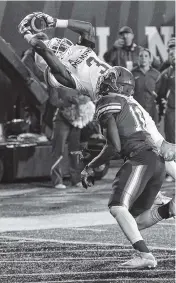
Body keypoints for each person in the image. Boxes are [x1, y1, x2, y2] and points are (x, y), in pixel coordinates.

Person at [18, 12, 176, 189]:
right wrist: (26, 33)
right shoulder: (61, 75)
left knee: (162, 145)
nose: (56, 43)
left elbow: (87, 28)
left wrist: (56, 21)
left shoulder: (76, 50)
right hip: (111, 104)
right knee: (135, 147)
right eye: (53, 46)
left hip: (125, 95)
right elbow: (42, 49)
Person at [81, 66, 175, 269]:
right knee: (136, 221)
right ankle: (168, 209)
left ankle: (145, 256)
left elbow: (114, 146)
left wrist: (90, 166)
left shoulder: (108, 101)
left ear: (119, 85)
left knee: (117, 207)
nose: (105, 81)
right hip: (155, 161)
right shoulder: (131, 106)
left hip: (139, 158)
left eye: (110, 78)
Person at [156, 37, 175, 182]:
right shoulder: (166, 73)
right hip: (171, 111)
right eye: (171, 53)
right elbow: (158, 91)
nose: (173, 55)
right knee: (171, 140)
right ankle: (172, 171)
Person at [132, 48, 160, 124]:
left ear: (150, 59)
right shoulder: (132, 73)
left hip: (152, 111)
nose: (143, 58)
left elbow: (159, 94)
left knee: (152, 134)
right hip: (136, 111)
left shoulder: (156, 74)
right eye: (141, 56)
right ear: (138, 58)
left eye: (146, 56)